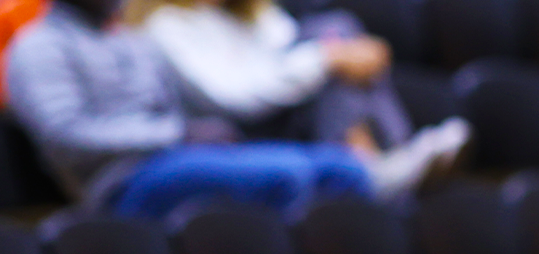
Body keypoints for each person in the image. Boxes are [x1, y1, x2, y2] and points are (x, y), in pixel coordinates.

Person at [6, 0, 430, 216]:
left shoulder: (129, 42)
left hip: (181, 156)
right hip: (120, 182)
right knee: (287, 173)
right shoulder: (36, 46)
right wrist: (176, 134)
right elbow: (63, 136)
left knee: (344, 169)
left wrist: (191, 132)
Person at [125, 0, 468, 191]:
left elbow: (289, 47)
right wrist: (326, 59)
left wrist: (342, 55)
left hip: (284, 118)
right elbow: (238, 98)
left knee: (336, 29)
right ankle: (375, 167)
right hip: (231, 137)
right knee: (331, 51)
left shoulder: (243, 13)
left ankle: (384, 160)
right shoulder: (168, 24)